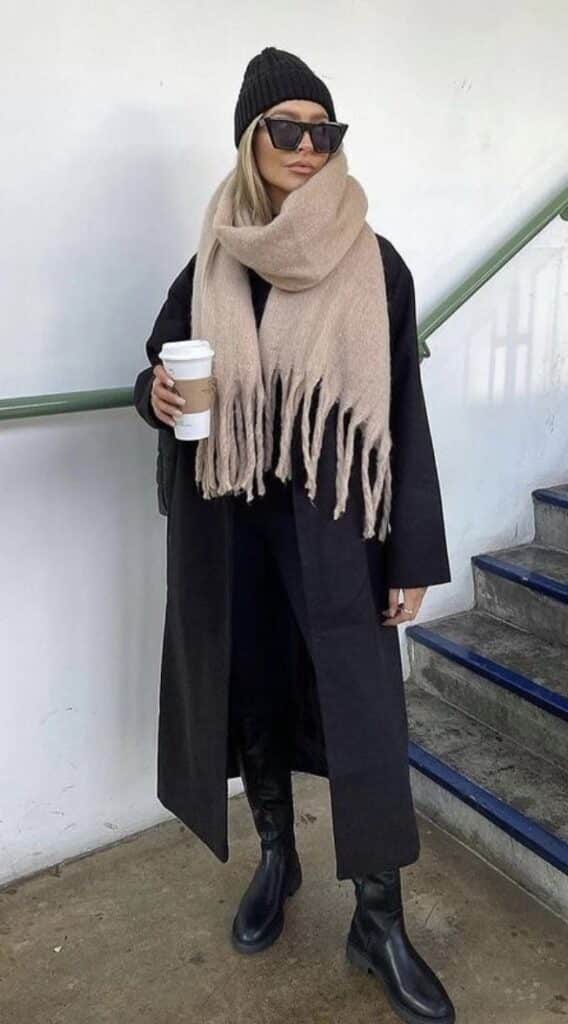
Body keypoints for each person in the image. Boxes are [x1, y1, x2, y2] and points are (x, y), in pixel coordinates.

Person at [133, 46, 455, 1024]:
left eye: (324, 130)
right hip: (232, 525)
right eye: (287, 128)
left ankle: (379, 921)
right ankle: (276, 856)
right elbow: (161, 370)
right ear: (251, 138)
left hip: (340, 532)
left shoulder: (372, 261)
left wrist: (410, 558)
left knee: (365, 718)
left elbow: (399, 412)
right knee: (255, 690)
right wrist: (153, 395)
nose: (308, 147)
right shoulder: (214, 259)